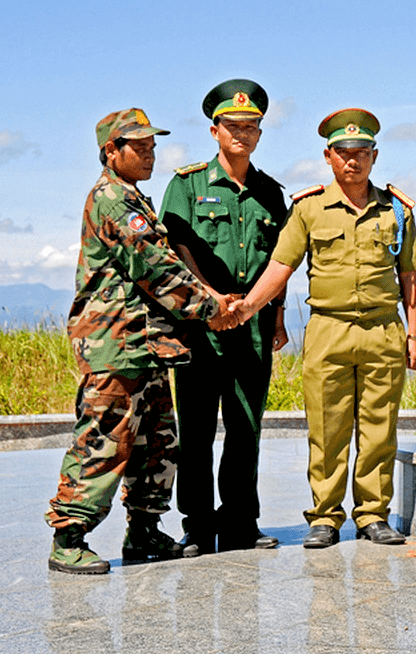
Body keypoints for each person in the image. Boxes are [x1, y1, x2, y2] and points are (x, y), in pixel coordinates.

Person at [46, 108, 235, 574]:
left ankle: (144, 529)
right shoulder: (113, 200)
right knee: (104, 440)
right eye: (140, 147)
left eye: (153, 146)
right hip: (115, 345)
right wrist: (213, 310)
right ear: (111, 151)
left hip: (148, 346)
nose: (150, 154)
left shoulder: (133, 198)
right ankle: (68, 538)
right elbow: (156, 269)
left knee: (157, 444)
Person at [232, 108, 416, 548]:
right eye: (343, 152)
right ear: (328, 156)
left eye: (361, 152)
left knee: (380, 429)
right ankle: (324, 517)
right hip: (328, 331)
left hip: (382, 331)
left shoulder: (395, 210)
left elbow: (410, 276)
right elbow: (281, 267)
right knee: (327, 428)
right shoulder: (309, 209)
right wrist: (246, 307)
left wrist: (414, 335)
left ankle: (374, 515)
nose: (352, 161)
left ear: (374, 156)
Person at [159, 79, 288, 556]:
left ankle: (240, 520)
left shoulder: (271, 192)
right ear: (215, 130)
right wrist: (211, 299)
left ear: (259, 133)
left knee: (246, 426)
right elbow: (177, 247)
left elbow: (281, 258)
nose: (242, 134)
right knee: (195, 429)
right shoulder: (187, 184)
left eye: (251, 127)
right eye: (233, 126)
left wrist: (273, 316)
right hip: (200, 326)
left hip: (251, 325)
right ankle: (197, 523)